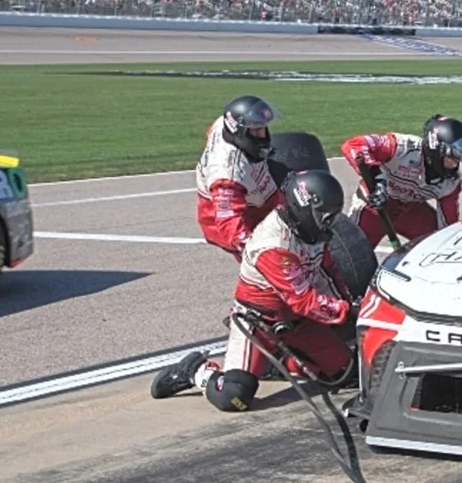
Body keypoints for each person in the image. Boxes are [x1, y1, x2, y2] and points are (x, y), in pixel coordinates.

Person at [151, 171, 357, 411]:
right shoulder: (274, 245)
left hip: (298, 322)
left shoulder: (313, 233)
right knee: (234, 398)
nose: (328, 222)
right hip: (260, 322)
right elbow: (303, 300)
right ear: (304, 209)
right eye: (324, 215)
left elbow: (328, 272)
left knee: (350, 375)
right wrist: (350, 311)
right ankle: (197, 370)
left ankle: (275, 362)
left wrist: (348, 301)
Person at [340, 115, 462, 250]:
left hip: (410, 209)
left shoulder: (451, 183)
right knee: (353, 253)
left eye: (459, 160)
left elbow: (449, 224)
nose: (455, 165)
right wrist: (377, 179)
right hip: (374, 205)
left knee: (439, 241)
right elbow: (354, 144)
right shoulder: (401, 148)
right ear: (437, 149)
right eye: (453, 158)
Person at [195, 95, 282, 258]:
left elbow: (209, 134)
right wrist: (260, 252)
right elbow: (230, 224)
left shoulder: (222, 123)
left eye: (263, 128)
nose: (263, 135)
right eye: (256, 130)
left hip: (259, 193)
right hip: (239, 218)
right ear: (238, 131)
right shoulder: (227, 174)